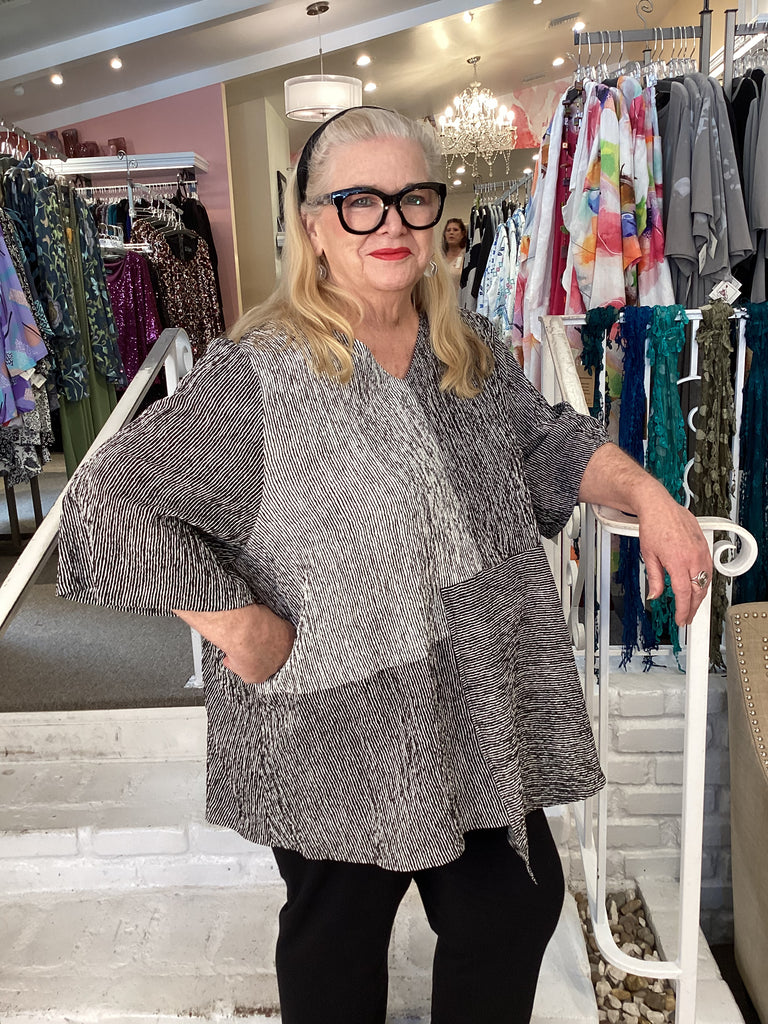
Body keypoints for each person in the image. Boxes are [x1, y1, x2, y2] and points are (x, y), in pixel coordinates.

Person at [57, 106, 712, 1024]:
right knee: (335, 951)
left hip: (472, 705)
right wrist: (238, 625)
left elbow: (550, 443)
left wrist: (650, 496)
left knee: (511, 913)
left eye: (412, 199)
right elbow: (106, 504)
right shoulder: (259, 372)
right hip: (333, 722)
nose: (391, 224)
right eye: (359, 201)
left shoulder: (465, 346)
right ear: (314, 226)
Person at [442, 216, 467, 294]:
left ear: (462, 234)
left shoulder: (467, 258)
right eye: (448, 230)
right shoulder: (439, 257)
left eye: (455, 230)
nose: (451, 233)